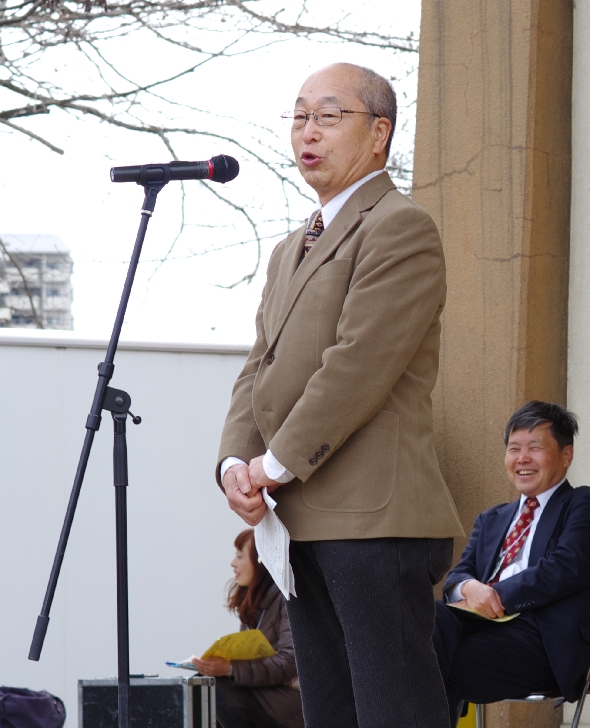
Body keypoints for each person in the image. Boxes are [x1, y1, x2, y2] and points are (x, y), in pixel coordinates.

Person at [215, 62, 464, 728]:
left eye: (328, 116)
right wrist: (234, 461)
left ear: (379, 133)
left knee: (394, 712)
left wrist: (273, 464)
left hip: (375, 520)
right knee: (329, 711)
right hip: (302, 519)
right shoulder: (291, 247)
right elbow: (259, 364)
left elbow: (356, 366)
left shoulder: (399, 227)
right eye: (299, 117)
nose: (308, 132)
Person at [432, 401, 590, 727]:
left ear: (566, 455)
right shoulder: (492, 518)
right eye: (514, 448)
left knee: (420, 661)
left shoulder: (587, 504)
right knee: (419, 620)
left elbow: (564, 568)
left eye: (535, 448)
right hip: (476, 630)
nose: (522, 459)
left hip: (542, 643)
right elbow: (458, 575)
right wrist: (470, 588)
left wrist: (495, 594)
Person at [192, 529, 304, 728]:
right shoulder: (254, 603)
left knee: (216, 688)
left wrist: (231, 668)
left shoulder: (286, 600)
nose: (233, 563)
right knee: (202, 684)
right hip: (267, 694)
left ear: (261, 561)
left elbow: (290, 662)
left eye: (240, 556)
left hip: (291, 703)